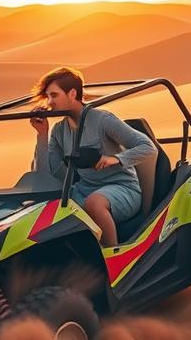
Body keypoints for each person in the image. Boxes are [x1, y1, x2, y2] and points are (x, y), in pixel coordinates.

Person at [29, 66, 158, 247]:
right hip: (83, 189)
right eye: (48, 97)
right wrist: (42, 134)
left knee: (94, 203)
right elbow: (45, 174)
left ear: (72, 93)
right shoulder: (59, 130)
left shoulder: (102, 120)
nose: (49, 102)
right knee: (46, 208)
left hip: (122, 188)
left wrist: (117, 159)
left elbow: (148, 147)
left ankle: (113, 261)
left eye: (54, 95)